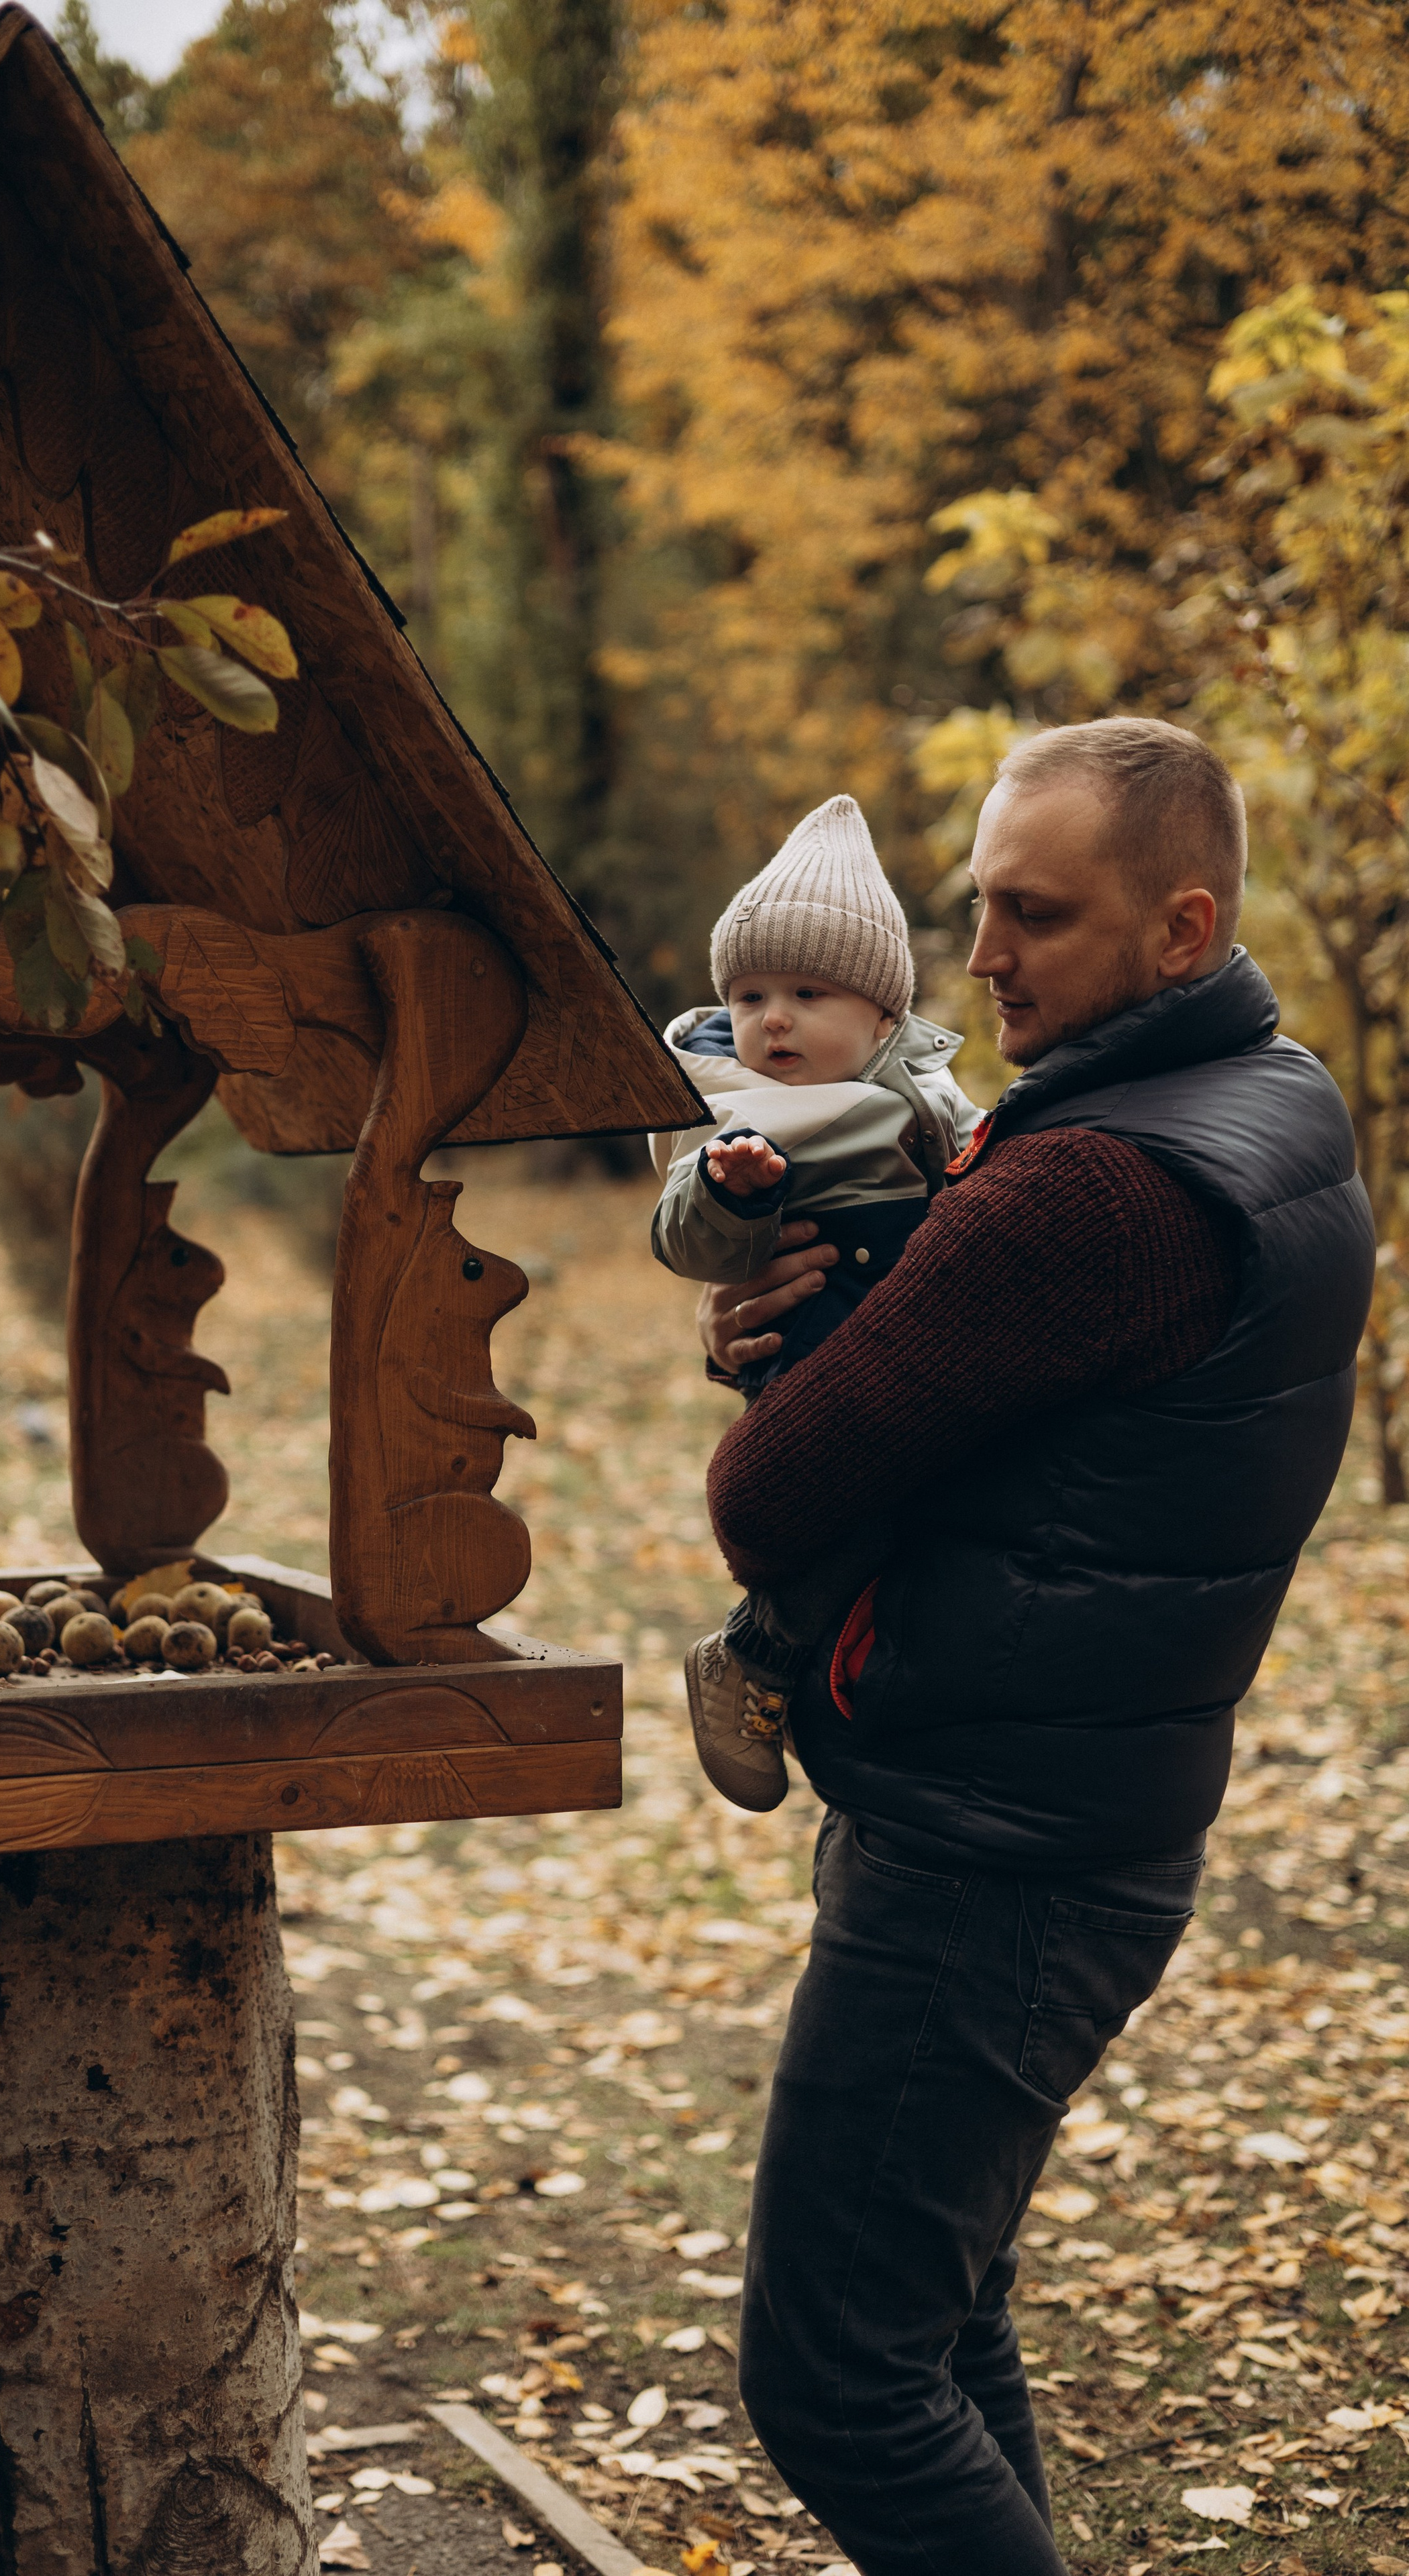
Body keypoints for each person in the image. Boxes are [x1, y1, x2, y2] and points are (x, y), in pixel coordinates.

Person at [697, 718, 1373, 2576]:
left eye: (1034, 915)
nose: (980, 954)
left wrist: (776, 1365)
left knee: (837, 2377)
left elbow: (772, 1499)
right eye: (980, 901)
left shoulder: (1089, 1187)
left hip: (987, 1856)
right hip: (1087, 1808)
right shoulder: (1277, 1101)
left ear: (1181, 926)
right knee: (939, 2319)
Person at [649, 795, 979, 1811]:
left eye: (806, 992)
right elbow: (681, 1239)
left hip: (913, 1328)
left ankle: (791, 1661)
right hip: (815, 1327)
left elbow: (982, 1160)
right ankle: (761, 1649)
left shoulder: (923, 1087)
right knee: (858, 1499)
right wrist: (728, 1192)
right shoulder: (724, 1111)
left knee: (909, 1511)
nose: (772, 1019)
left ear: (885, 1017)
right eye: (748, 995)